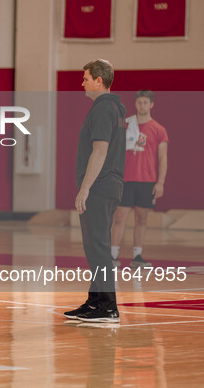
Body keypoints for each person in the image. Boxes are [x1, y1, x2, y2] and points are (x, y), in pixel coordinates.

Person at [64, 59, 126, 323]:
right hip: (107, 185)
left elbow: (99, 151)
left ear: (99, 81)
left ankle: (108, 306)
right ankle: (96, 300)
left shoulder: (103, 109)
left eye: (86, 78)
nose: (83, 83)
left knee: (98, 246)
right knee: (94, 246)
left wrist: (84, 189)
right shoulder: (114, 109)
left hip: (100, 186)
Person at [111, 90, 169, 269]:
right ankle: (112, 255)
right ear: (135, 104)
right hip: (125, 179)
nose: (142, 106)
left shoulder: (159, 129)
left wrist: (160, 182)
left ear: (151, 105)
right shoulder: (126, 125)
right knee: (120, 217)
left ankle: (137, 255)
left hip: (146, 181)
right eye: (139, 102)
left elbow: (162, 158)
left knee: (141, 218)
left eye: (145, 102)